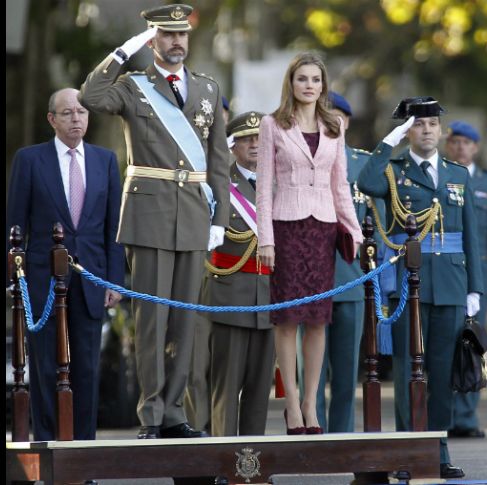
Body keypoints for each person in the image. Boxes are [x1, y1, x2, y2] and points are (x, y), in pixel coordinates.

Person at [79, 3, 230, 439]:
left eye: (181, 34)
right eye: (166, 35)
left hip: (194, 215)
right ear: (152, 39)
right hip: (149, 215)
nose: (176, 41)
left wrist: (218, 218)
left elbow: (218, 161)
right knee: (152, 319)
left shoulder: (207, 88)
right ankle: (150, 414)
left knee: (185, 319)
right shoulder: (132, 86)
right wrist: (123, 52)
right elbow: (91, 96)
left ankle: (174, 413)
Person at [357, 97, 483, 479]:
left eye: (432, 124)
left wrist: (474, 288)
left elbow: (471, 234)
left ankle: (437, 453)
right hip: (407, 286)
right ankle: (406, 452)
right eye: (417, 124)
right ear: (407, 131)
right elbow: (365, 182)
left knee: (442, 375)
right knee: (409, 373)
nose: (426, 130)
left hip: (450, 284)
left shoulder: (458, 174)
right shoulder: (393, 170)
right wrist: (388, 142)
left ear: (440, 131)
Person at [6, 88, 125, 441]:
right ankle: (46, 444)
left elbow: (113, 229)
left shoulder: (105, 160)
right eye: (68, 112)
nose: (76, 118)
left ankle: (83, 449)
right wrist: (14, 277)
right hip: (41, 280)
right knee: (44, 366)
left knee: (86, 367)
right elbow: (15, 225)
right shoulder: (30, 160)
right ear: (52, 119)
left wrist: (114, 281)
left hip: (91, 280)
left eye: (82, 112)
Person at [256, 52, 363, 435]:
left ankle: (310, 404)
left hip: (322, 229)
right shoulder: (272, 124)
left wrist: (354, 231)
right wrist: (265, 239)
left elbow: (340, 185)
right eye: (302, 78)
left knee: (318, 320)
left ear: (323, 86)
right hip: (286, 228)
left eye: (316, 80)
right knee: (287, 320)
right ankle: (291, 406)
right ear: (291, 83)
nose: (309, 85)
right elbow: (264, 187)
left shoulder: (334, 126)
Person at [296, 91, 383, 432]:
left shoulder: (363, 165)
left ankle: (342, 436)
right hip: (309, 279)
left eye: (336, 119)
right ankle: (310, 434)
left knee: (347, 372)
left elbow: (379, 226)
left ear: (346, 123)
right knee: (311, 373)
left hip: (350, 278)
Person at [201, 111, 275, 436]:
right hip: (230, 295)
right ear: (232, 145)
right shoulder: (218, 184)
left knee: (260, 390)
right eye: (247, 139)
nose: (255, 144)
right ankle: (223, 454)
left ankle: (252, 457)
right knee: (226, 387)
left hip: (271, 298)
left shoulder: (280, 183)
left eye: (261, 138)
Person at [444, 121, 487, 439]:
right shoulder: (439, 176)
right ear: (448, 145)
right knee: (442, 343)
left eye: (466, 143)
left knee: (472, 343)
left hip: (476, 276)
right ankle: (443, 414)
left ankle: (466, 417)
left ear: (476, 147)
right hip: (444, 271)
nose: (460, 148)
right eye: (455, 142)